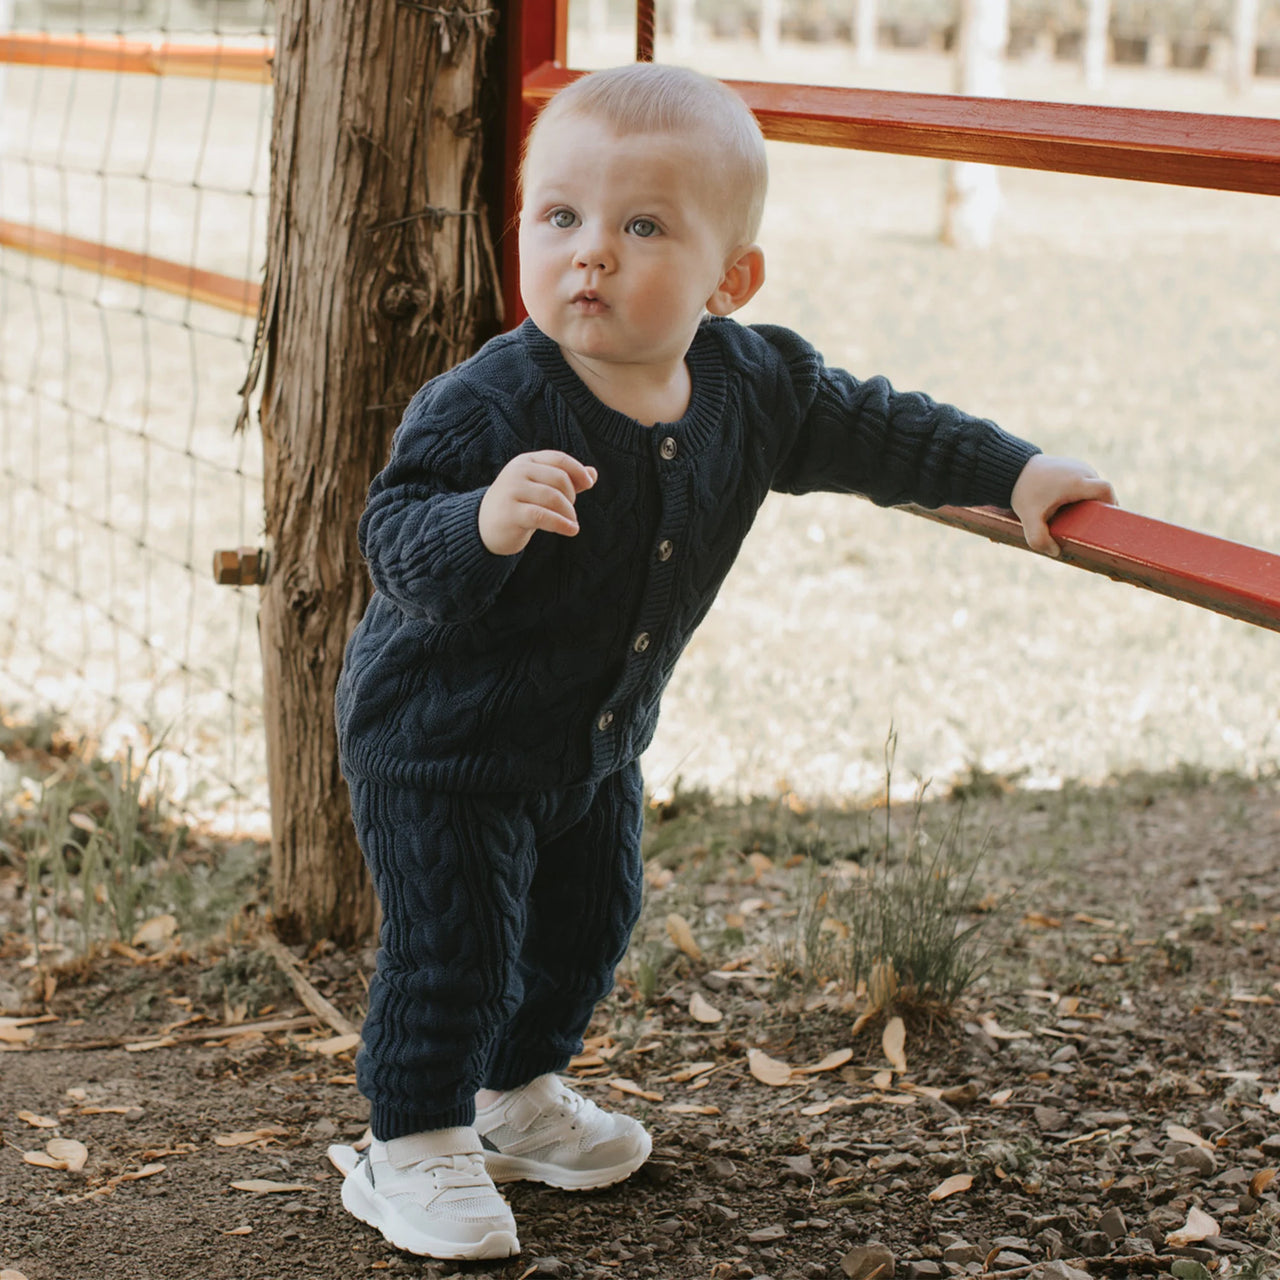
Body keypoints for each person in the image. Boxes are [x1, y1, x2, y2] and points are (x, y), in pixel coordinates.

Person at [331, 62, 1116, 1261]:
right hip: (440, 738)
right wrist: (481, 518)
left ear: (727, 278)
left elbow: (877, 425)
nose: (589, 251)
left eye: (641, 226)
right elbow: (394, 542)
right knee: (457, 944)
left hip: (592, 737)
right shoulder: (488, 402)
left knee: (588, 921)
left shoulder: (751, 381)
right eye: (561, 218)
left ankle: (514, 1097)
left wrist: (1011, 471)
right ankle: (412, 1142)